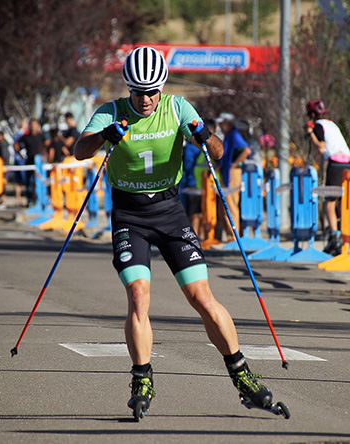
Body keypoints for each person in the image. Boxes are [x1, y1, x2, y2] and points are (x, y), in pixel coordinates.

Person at [74, 46, 277, 419]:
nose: (146, 99)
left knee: (201, 297)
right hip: (130, 214)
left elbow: (216, 152)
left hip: (170, 212)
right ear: (128, 88)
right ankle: (142, 378)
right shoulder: (111, 111)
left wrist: (204, 132)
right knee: (138, 295)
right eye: (138, 91)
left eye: (153, 91)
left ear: (163, 87)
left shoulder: (178, 107)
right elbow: (79, 152)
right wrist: (105, 135)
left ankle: (242, 375)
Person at [305, 99, 350, 256]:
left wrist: (310, 133)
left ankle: (335, 236)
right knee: (343, 203)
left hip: (336, 163)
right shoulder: (332, 124)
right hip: (347, 162)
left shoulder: (319, 126)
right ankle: (342, 235)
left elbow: (321, 146)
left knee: (329, 202)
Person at [217, 113, 251, 242]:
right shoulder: (228, 135)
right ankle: (230, 236)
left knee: (230, 206)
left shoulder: (234, 134)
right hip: (226, 173)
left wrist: (234, 165)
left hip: (233, 173)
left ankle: (234, 238)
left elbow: (246, 150)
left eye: (222, 123)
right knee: (223, 207)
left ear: (229, 122)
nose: (220, 126)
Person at [180, 118, 216, 239]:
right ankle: (194, 237)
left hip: (202, 185)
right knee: (194, 214)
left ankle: (199, 237)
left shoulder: (202, 147)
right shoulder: (192, 147)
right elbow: (188, 166)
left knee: (200, 213)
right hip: (193, 184)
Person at [14, 118, 45, 206]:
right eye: (32, 125)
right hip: (29, 161)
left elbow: (46, 145)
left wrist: (44, 156)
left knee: (38, 182)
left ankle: (39, 200)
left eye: (35, 125)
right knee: (29, 182)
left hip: (39, 163)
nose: (34, 127)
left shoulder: (40, 136)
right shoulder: (26, 136)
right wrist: (19, 153)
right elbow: (16, 144)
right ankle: (30, 200)